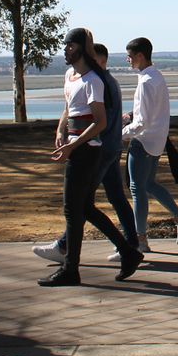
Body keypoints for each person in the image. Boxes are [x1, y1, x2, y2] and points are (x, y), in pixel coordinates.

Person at [38, 28, 143, 286]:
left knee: (72, 210)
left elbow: (100, 122)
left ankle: (71, 269)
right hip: (76, 147)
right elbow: (68, 110)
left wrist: (73, 146)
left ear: (82, 48)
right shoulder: (71, 76)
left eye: (70, 45)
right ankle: (128, 253)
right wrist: (61, 131)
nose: (65, 50)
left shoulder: (94, 81)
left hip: (87, 152)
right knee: (83, 208)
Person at [122, 37, 178, 248]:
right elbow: (150, 113)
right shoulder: (156, 76)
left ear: (139, 56)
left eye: (129, 56)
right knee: (148, 185)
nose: (128, 60)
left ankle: (140, 239)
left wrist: (122, 133)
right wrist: (129, 117)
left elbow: (143, 122)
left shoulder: (146, 81)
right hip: (156, 141)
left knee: (137, 189)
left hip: (143, 141)